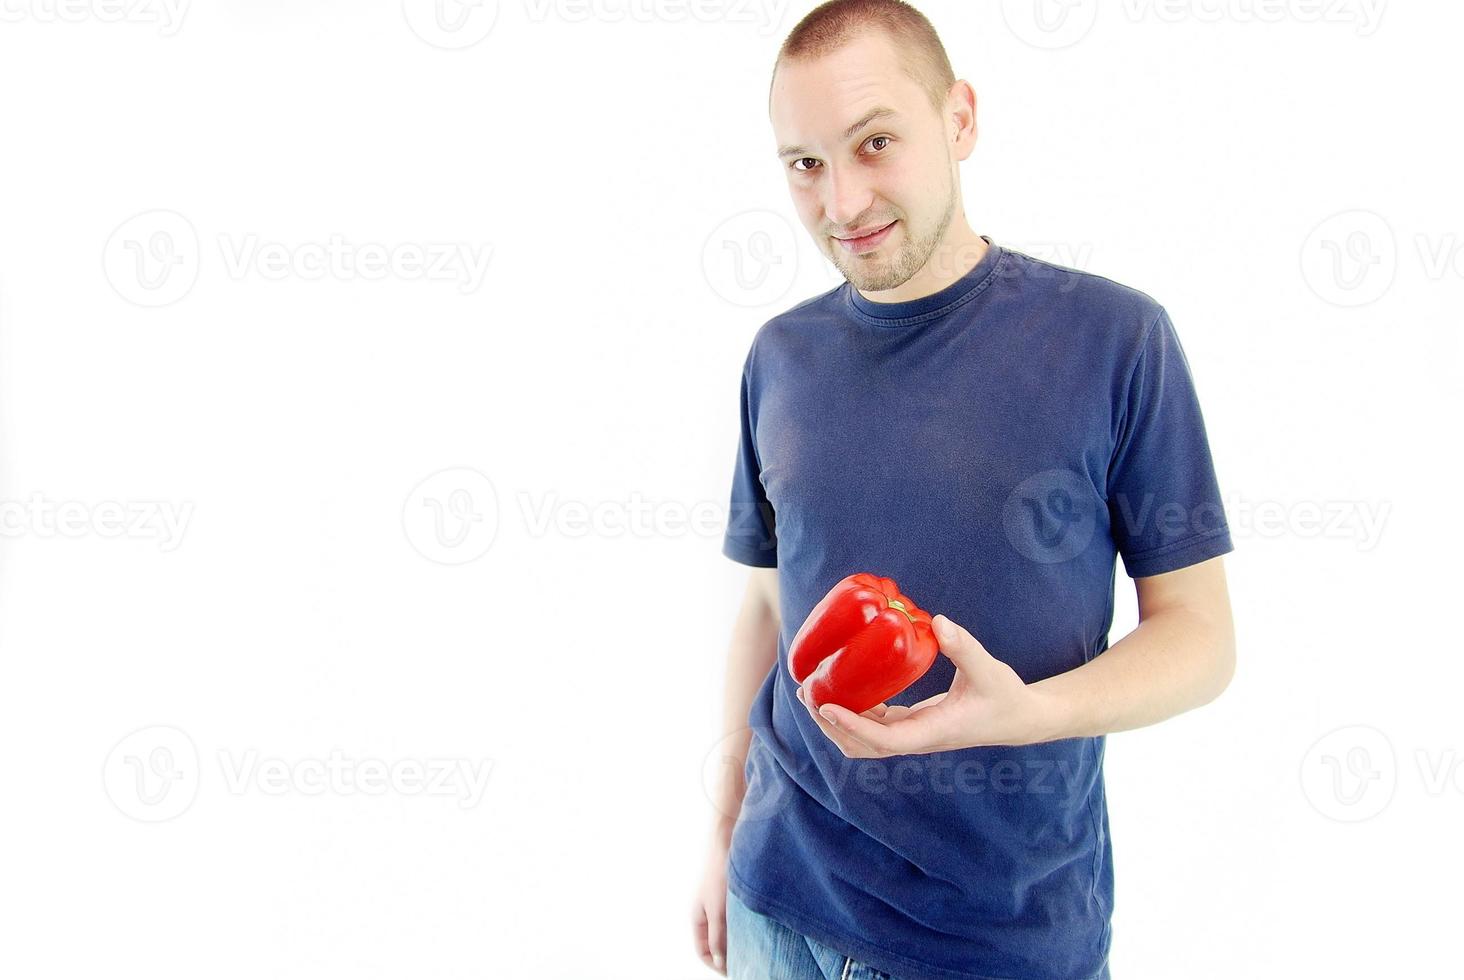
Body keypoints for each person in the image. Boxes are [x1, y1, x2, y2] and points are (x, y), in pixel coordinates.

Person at [689, 2, 1237, 978]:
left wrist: (1024, 712)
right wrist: (720, 830)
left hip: (999, 936)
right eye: (805, 164)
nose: (844, 200)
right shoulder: (778, 356)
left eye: (875, 142)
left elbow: (1200, 636)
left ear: (960, 120)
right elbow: (769, 605)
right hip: (778, 893)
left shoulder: (1117, 341)